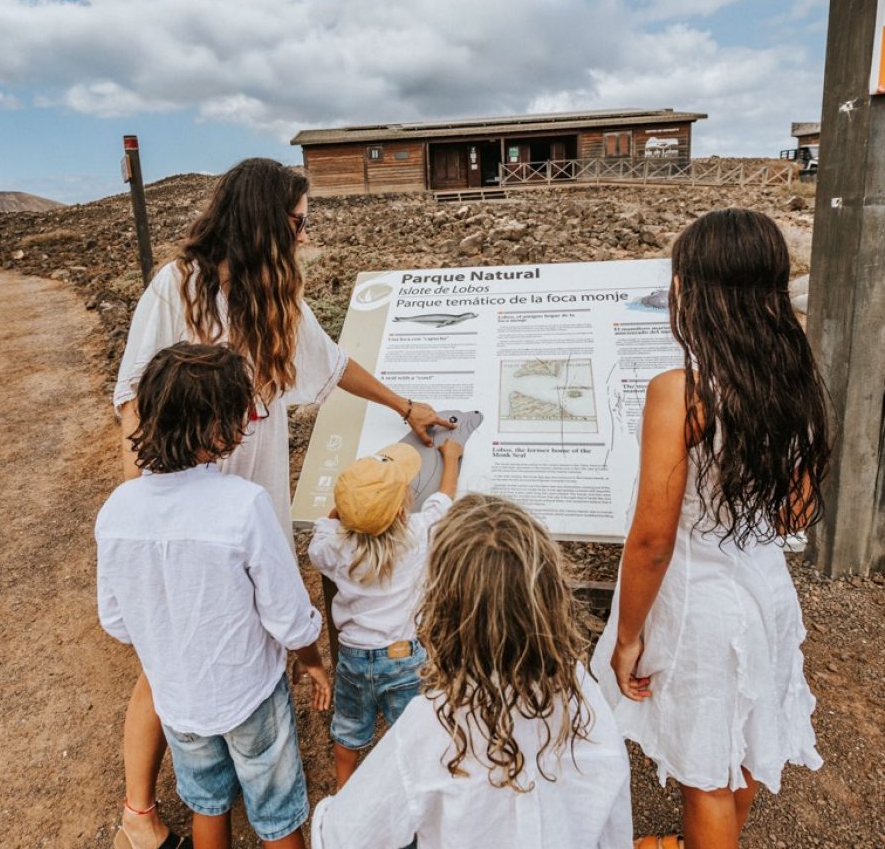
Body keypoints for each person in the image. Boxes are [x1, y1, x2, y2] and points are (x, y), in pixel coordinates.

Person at [112, 158, 453, 848]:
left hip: (244, 505)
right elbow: (131, 398)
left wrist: (404, 404)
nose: (304, 236)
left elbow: (331, 364)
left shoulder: (274, 299)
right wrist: (153, 499)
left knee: (234, 645)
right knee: (167, 659)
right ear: (265, 223)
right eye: (296, 223)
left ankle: (217, 780)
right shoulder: (174, 288)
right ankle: (138, 812)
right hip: (179, 499)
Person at [591, 208, 830, 849]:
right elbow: (795, 516)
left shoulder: (682, 391)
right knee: (748, 741)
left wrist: (628, 636)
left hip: (699, 609)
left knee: (705, 775)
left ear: (694, 289)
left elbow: (652, 539)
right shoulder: (796, 381)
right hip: (766, 590)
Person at [97, 342, 332, 849]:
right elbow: (288, 615)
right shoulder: (244, 505)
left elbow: (117, 623)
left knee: (208, 805)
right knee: (276, 815)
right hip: (250, 694)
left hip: (177, 700)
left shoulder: (116, 510)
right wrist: (312, 660)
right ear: (221, 431)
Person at [310, 493, 633, 849]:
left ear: (443, 607)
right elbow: (613, 823)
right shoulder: (585, 696)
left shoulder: (432, 719)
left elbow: (342, 835)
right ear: (549, 593)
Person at [308, 438, 463, 789]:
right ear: (400, 511)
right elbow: (444, 502)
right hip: (404, 657)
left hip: (354, 659)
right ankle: (413, 795)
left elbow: (322, 533)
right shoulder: (417, 535)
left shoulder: (333, 547)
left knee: (348, 731)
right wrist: (451, 458)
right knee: (412, 732)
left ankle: (345, 794)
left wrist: (345, 513)